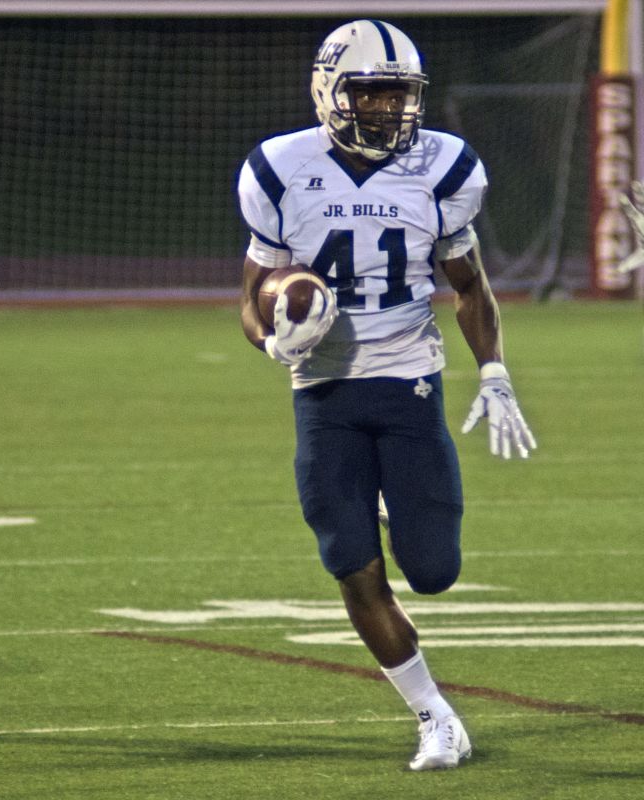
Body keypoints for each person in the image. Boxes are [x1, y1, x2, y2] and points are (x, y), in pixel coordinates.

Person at [237, 21, 536, 770]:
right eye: (370, 94)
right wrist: (274, 338)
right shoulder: (280, 168)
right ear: (330, 90)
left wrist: (493, 370)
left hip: (408, 382)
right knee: (351, 562)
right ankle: (434, 715)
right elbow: (252, 300)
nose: (387, 112)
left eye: (399, 96)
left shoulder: (445, 169)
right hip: (324, 392)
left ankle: (394, 506)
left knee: (433, 570)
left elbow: (468, 285)